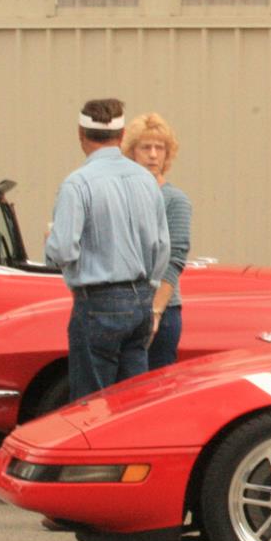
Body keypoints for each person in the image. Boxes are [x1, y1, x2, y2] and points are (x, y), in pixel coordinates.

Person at [45, 98, 169, 403]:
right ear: (123, 133)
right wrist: (149, 289)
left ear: (80, 134)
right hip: (141, 297)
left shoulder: (78, 184)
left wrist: (50, 245)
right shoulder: (146, 180)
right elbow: (162, 245)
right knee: (133, 401)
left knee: (91, 405)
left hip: (98, 300)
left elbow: (62, 250)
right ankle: (135, 452)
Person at [122, 112, 192, 370]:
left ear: (167, 154)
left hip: (162, 309)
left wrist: (155, 311)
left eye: (159, 148)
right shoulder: (120, 195)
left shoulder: (174, 200)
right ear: (132, 152)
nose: (153, 154)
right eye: (145, 147)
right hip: (123, 307)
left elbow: (175, 260)